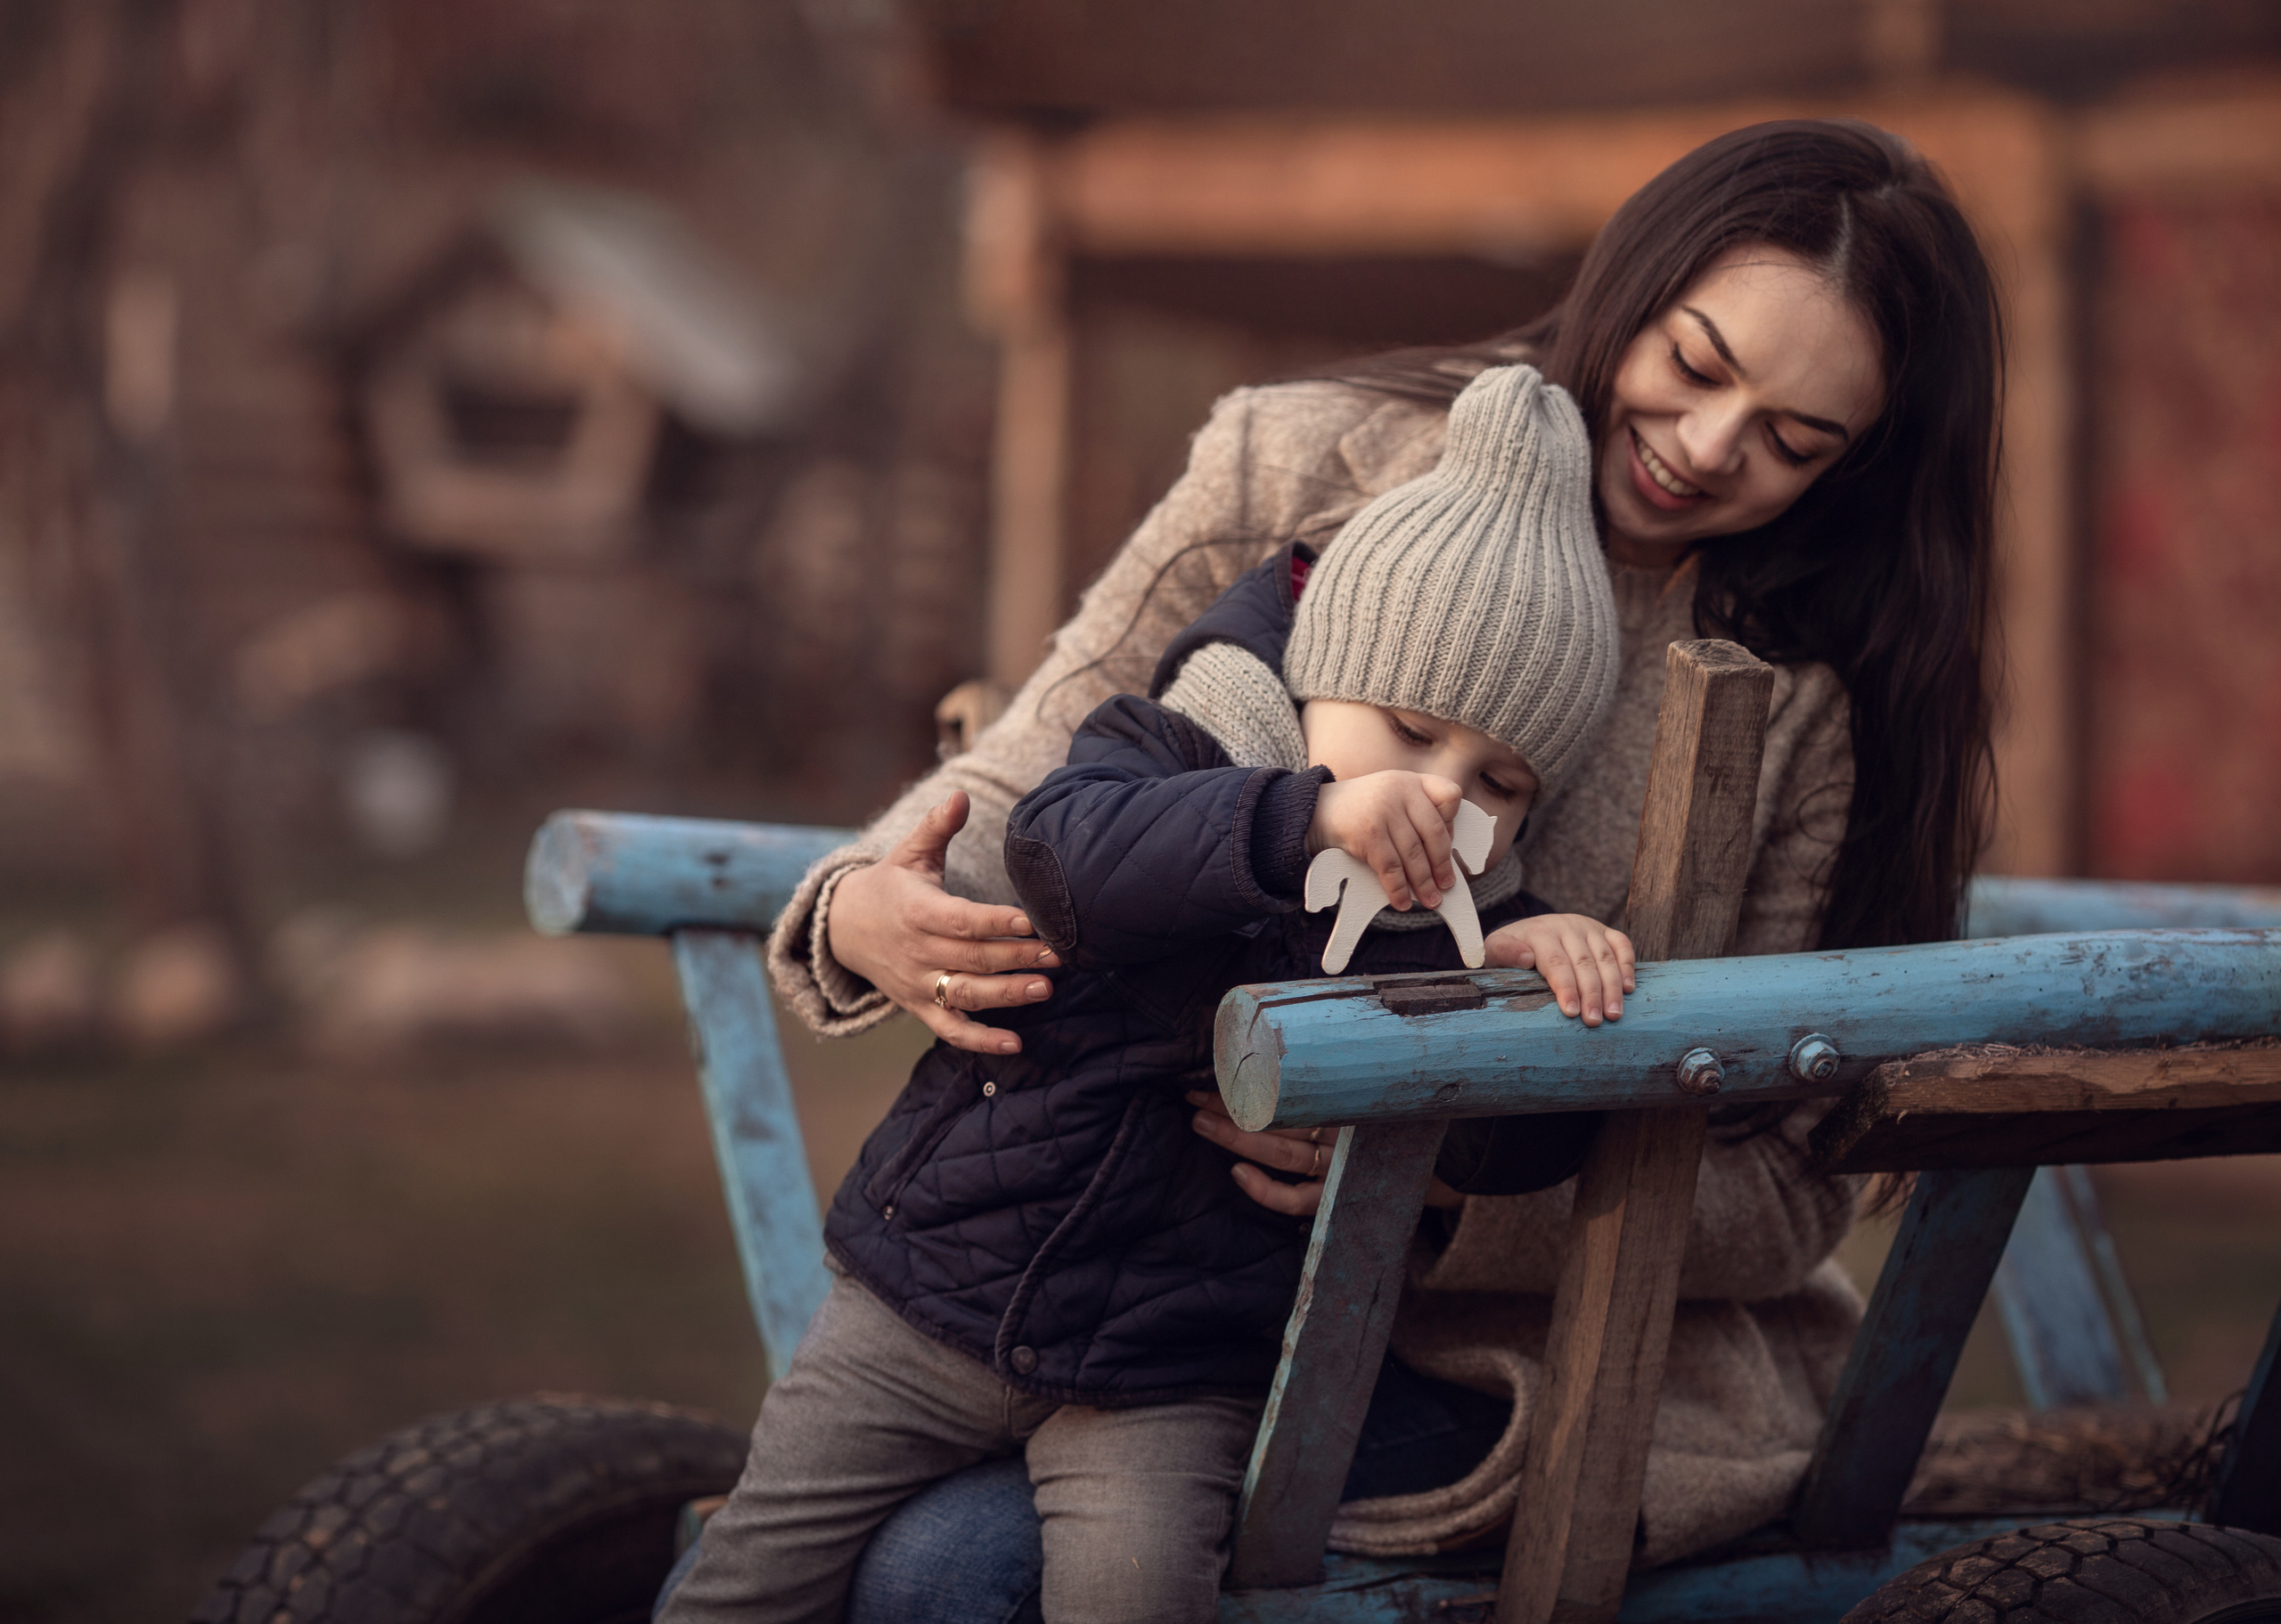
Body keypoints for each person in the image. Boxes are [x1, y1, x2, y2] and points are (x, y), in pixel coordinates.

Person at [721, 116, 1998, 1622]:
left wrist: (1433, 1185)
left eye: (1795, 441)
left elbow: (1789, 1183)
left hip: (1518, 1349)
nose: (1712, 447)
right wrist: (865, 894)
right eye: (1698, 364)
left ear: (1862, 467)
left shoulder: (1816, 700)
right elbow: (1053, 753)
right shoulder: (1307, 458)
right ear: (1632, 285)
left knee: (959, 1571)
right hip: (1123, 1266)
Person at [662, 364, 1638, 1624]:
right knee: (747, 1583)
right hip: (931, 1296)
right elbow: (1074, 860)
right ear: (1317, 676)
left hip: (1175, 1374)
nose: (1445, 793)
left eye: (1499, 779)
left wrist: (1531, 1006)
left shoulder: (1460, 927)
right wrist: (1306, 819)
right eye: (1406, 728)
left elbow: (1512, 1155)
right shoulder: (1173, 755)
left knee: (1136, 1597)